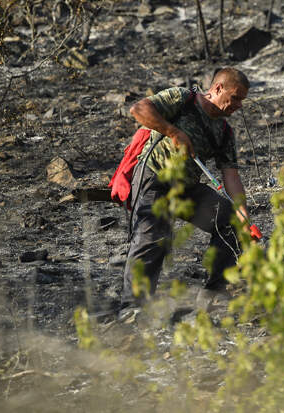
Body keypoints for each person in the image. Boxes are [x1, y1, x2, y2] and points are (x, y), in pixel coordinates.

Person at [118, 67, 252, 319]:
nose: (238, 105)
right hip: (154, 176)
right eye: (235, 98)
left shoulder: (224, 132)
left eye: (242, 100)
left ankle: (213, 296)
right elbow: (138, 109)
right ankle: (132, 309)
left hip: (187, 188)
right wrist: (173, 131)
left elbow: (231, 175)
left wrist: (244, 216)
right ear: (218, 88)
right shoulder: (182, 99)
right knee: (152, 239)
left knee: (230, 220)